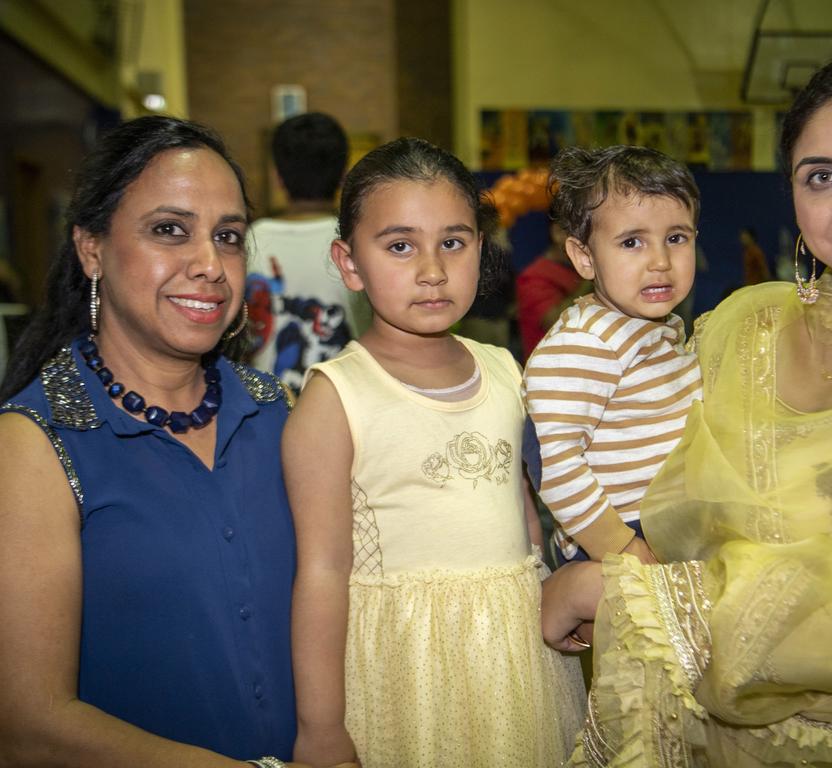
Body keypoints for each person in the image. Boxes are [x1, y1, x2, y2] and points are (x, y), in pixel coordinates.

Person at [541, 46, 832, 767]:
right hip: (663, 724)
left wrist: (606, 591)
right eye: (822, 177)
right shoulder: (741, 325)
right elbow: (629, 466)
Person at [0, 117, 336, 767]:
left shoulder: (281, 412)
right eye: (169, 230)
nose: (210, 265)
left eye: (229, 237)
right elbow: (25, 724)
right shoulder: (35, 445)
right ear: (91, 248)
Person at [285, 137, 585, 768]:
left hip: (515, 658)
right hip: (406, 669)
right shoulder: (336, 397)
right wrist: (320, 728)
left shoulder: (506, 369)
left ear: (482, 246)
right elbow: (320, 572)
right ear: (349, 263)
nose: (432, 269)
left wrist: (552, 589)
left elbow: (524, 517)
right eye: (400, 246)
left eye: (453, 241)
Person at [523, 145, 702, 565]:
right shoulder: (584, 342)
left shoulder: (659, 332)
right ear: (584, 257)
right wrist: (621, 547)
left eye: (676, 238)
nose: (660, 261)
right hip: (617, 536)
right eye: (632, 242)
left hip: (672, 524)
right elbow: (552, 458)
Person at [246, 112, 371, 390]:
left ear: (278, 176)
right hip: (352, 400)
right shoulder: (360, 240)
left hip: (268, 406)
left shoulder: (251, 239)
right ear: (343, 176)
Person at [515, 220, 586, 360]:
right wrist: (592, 280)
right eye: (581, 233)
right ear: (558, 232)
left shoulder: (575, 270)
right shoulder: (533, 276)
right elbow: (554, 321)